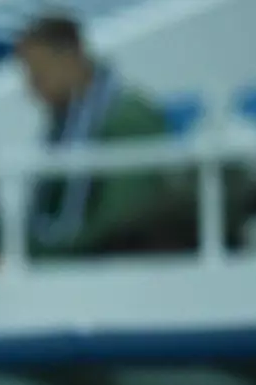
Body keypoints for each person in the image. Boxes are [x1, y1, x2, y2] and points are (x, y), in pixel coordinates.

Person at [15, 15, 179, 257]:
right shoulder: (62, 126)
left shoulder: (128, 118)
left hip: (117, 261)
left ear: (70, 60)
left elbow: (123, 218)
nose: (31, 87)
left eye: (38, 74)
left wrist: (51, 256)